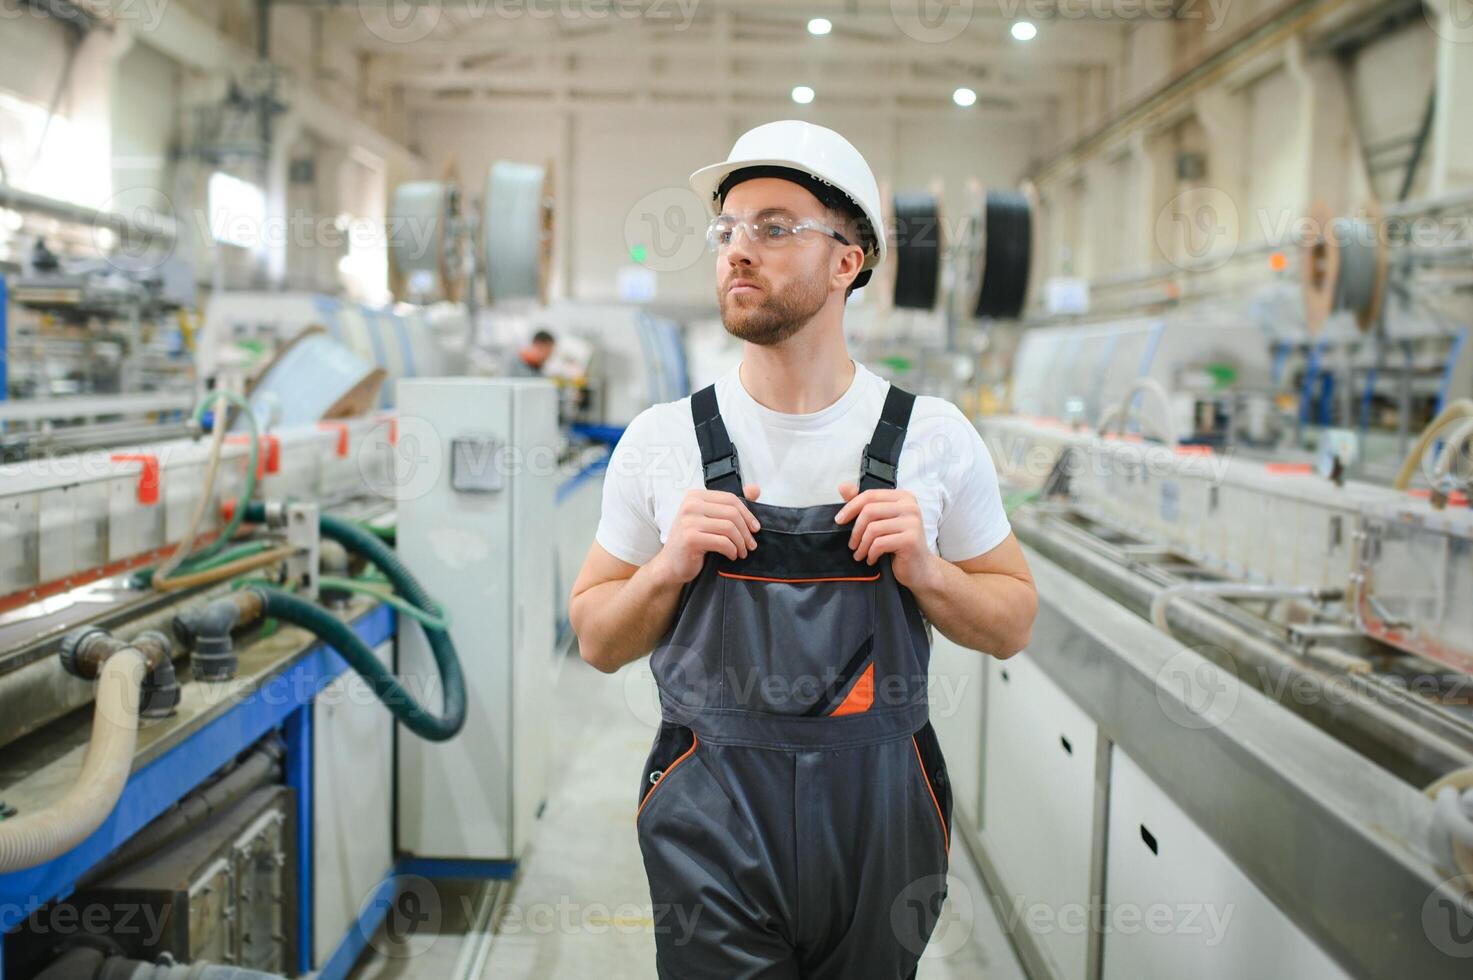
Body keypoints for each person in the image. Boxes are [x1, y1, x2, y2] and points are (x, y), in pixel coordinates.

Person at [568, 119, 1038, 979]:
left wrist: (928, 573)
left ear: (847, 261)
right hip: (711, 816)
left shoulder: (930, 436)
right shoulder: (660, 440)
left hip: (880, 819)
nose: (738, 251)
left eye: (774, 227)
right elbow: (595, 639)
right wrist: (669, 566)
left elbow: (1011, 622)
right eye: (727, 230)